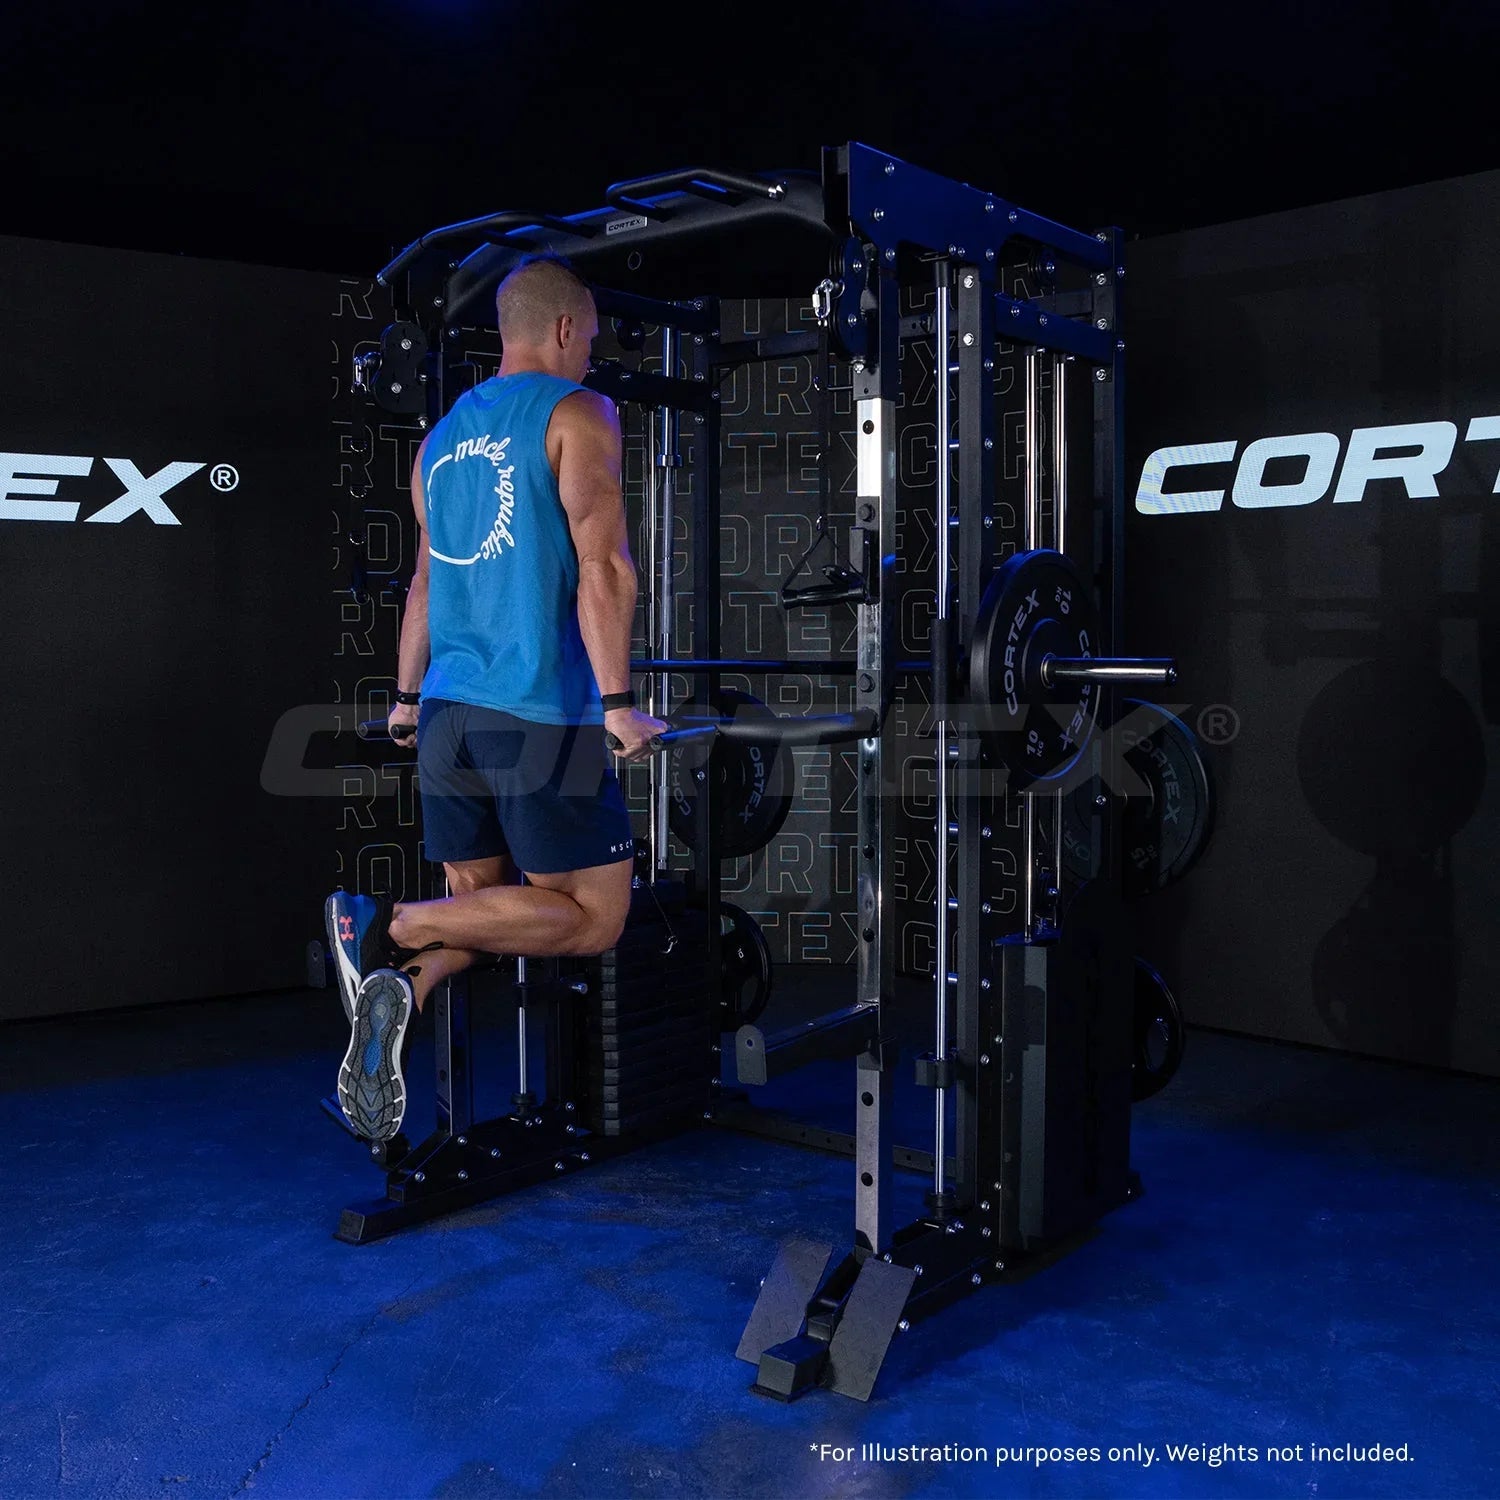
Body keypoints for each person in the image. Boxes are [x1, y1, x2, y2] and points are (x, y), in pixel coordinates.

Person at [324, 254, 669, 1140]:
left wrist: (404, 701)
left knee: (487, 917)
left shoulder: (439, 440)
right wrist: (620, 701)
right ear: (563, 329)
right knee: (592, 919)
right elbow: (604, 565)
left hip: (446, 715)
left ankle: (401, 982)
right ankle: (383, 928)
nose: (591, 352)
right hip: (537, 713)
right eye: (590, 336)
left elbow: (425, 588)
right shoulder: (578, 411)